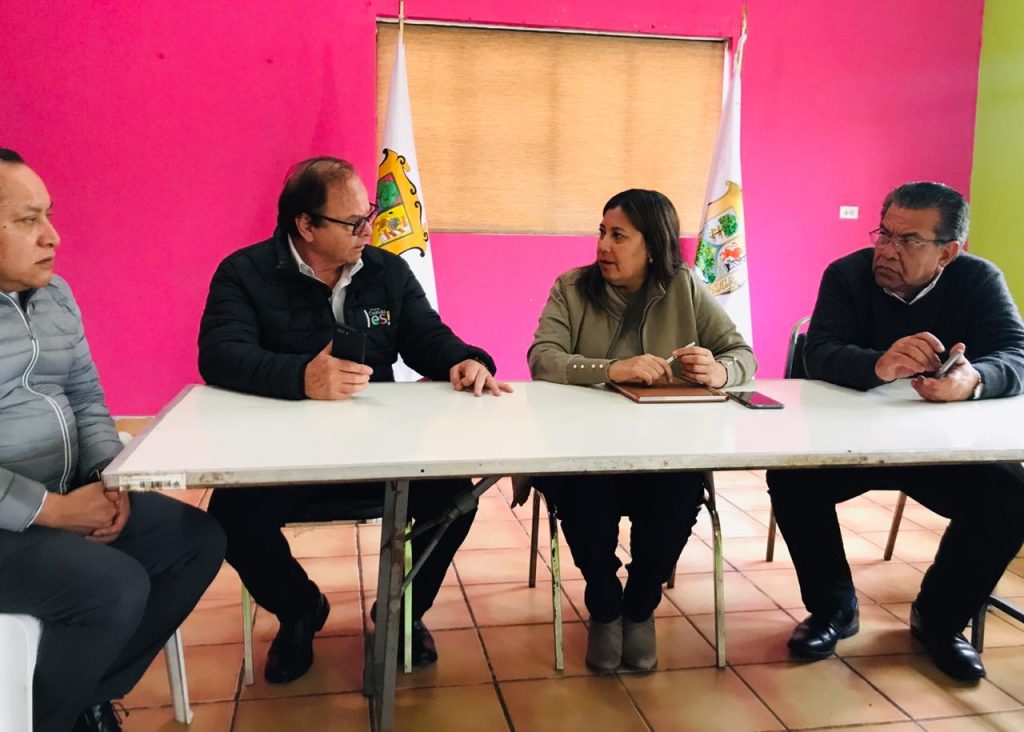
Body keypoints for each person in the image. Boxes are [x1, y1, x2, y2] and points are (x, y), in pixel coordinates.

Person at [198, 156, 511, 684]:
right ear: (305, 225)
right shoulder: (244, 274)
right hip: (284, 453)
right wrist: (301, 377)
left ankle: (402, 610)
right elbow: (220, 355)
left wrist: (463, 359)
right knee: (231, 516)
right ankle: (300, 609)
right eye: (353, 222)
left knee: (455, 500)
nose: (369, 230)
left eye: (368, 215)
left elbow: (426, 336)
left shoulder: (386, 271)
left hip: (379, 449)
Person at [0, 149, 226, 732]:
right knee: (114, 587)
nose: (52, 236)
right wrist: (52, 511)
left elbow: (86, 397)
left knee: (197, 541)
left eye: (48, 215)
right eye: (27, 220)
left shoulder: (55, 296)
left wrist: (111, 479)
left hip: (70, 493)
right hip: (14, 522)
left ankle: (86, 698)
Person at [768, 181, 1024, 681]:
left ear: (948, 252)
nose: (886, 250)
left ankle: (940, 619)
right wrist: (878, 365)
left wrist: (973, 381)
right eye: (884, 233)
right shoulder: (846, 274)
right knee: (791, 477)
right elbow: (818, 353)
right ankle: (833, 608)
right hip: (845, 444)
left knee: (1011, 495)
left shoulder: (977, 280)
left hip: (939, 449)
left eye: (908, 241)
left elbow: (1016, 354)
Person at [525, 188, 756, 672]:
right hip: (584, 449)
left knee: (680, 494)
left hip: (663, 449)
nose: (603, 246)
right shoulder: (572, 287)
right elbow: (542, 359)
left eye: (619, 236)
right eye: (602, 233)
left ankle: (641, 605)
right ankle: (604, 604)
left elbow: (741, 354)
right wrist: (611, 369)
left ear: (653, 245)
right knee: (585, 497)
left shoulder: (684, 286)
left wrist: (720, 371)